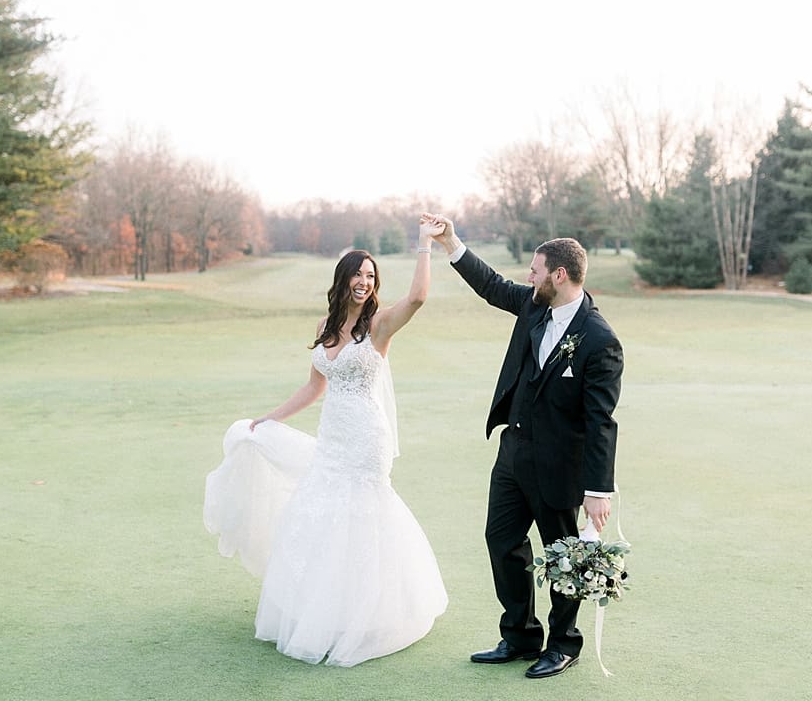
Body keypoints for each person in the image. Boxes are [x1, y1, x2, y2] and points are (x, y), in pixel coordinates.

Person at [203, 217, 448, 667]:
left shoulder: (379, 326)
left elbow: (417, 297)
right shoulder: (326, 324)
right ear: (344, 278)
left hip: (366, 439)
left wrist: (424, 245)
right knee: (318, 515)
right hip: (332, 437)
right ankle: (325, 614)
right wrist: (270, 418)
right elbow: (314, 387)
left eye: (371, 276)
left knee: (360, 516)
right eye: (358, 273)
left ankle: (370, 617)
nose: (364, 282)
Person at [423, 213, 623, 680]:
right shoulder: (535, 305)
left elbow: (601, 421)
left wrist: (599, 489)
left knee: (562, 555)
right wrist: (451, 243)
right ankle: (519, 635)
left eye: (535, 271)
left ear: (559, 275)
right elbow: (491, 285)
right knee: (502, 541)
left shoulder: (600, 340)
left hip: (560, 467)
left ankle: (563, 645)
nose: (528, 278)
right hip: (512, 454)